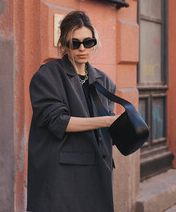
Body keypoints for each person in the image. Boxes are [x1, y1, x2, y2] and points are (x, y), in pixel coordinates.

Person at [27, 11, 119, 212]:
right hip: (62, 174)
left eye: (88, 42)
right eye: (74, 43)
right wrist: (106, 121)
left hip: (97, 167)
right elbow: (57, 121)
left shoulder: (104, 81)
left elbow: (109, 125)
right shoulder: (48, 75)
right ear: (64, 45)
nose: (82, 48)